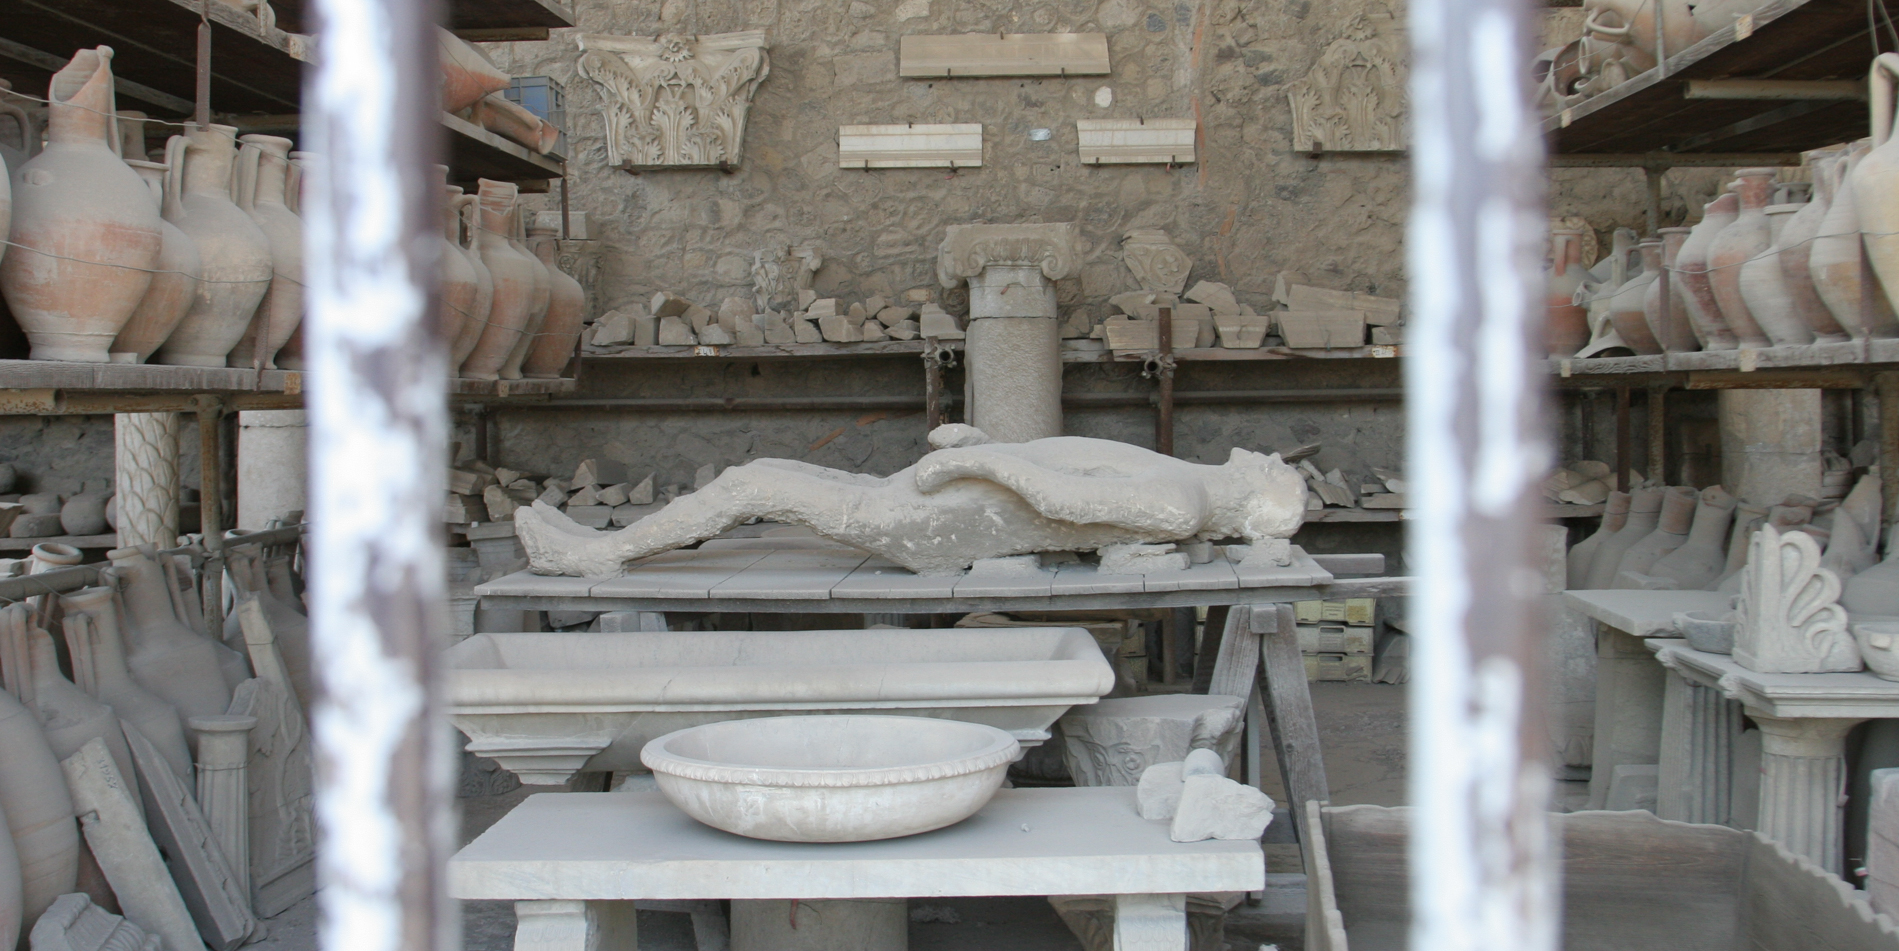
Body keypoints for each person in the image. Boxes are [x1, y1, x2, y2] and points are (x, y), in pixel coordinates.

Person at [514, 424, 1309, 577]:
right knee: (759, 473)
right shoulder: (1180, 479)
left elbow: (1059, 495)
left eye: (1278, 471)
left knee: (754, 484)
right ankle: (602, 550)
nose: (1272, 457)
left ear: (1256, 498)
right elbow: (1062, 470)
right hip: (940, 499)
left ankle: (590, 557)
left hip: (929, 525)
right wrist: (984, 446)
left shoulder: (1178, 501)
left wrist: (991, 460)